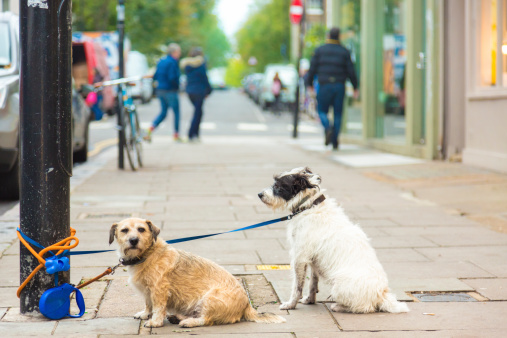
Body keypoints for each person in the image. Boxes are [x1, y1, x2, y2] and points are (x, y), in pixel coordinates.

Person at [305, 27, 359, 150]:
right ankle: (335, 141)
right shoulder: (344, 51)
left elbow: (312, 69)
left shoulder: (320, 50)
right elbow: (351, 71)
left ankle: (327, 127)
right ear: (339, 36)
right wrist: (355, 86)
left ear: (328, 36)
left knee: (321, 111)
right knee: (338, 114)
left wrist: (309, 84)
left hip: (324, 85)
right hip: (339, 86)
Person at [145, 43, 181, 142]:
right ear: (174, 52)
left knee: (163, 112)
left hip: (160, 90)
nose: (179, 54)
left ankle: (150, 128)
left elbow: (155, 75)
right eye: (178, 52)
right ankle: (176, 135)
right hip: (170, 90)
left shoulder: (161, 61)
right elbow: (173, 77)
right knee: (176, 113)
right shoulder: (172, 62)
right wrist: (177, 87)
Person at [180, 47, 212, 142]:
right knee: (198, 113)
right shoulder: (201, 65)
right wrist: (209, 90)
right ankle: (192, 134)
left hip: (190, 91)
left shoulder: (187, 66)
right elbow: (204, 79)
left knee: (198, 112)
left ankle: (195, 134)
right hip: (199, 91)